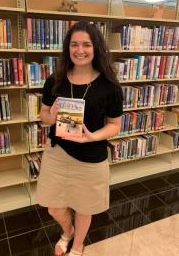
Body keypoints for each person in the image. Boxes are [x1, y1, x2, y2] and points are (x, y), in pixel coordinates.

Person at [37, 20, 123, 256]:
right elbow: (43, 116)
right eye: (74, 44)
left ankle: (76, 244)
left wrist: (93, 136)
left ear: (96, 48)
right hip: (57, 154)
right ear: (67, 48)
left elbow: (115, 125)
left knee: (85, 207)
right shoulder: (54, 81)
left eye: (86, 44)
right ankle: (68, 230)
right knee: (54, 207)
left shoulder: (110, 87)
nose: (80, 50)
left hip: (91, 158)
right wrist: (51, 118)